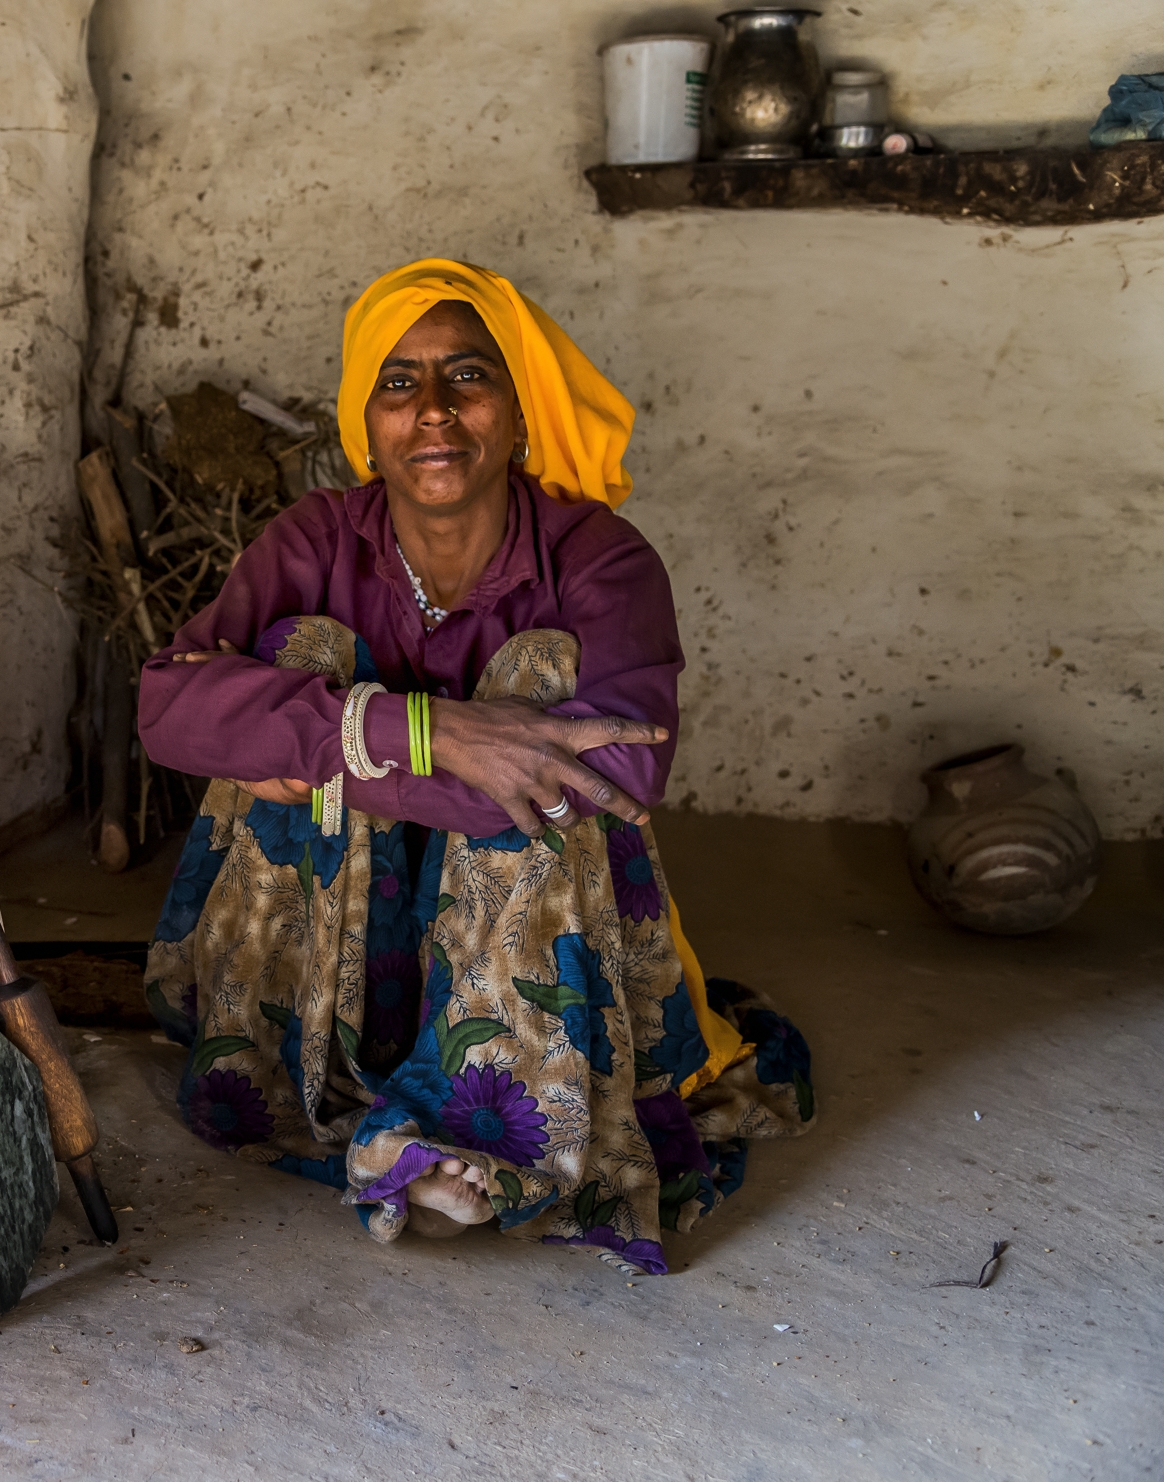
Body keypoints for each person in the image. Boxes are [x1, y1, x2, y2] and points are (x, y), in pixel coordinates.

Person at [136, 259, 812, 1273]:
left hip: (517, 924)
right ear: (364, 422)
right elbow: (168, 706)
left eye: (467, 376)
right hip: (337, 929)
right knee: (299, 659)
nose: (434, 413)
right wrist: (425, 733)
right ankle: (304, 1069)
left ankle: (480, 1123)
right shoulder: (313, 539)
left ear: (519, 405)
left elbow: (618, 767)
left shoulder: (598, 559)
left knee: (535, 693)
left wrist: (325, 751)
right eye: (398, 384)